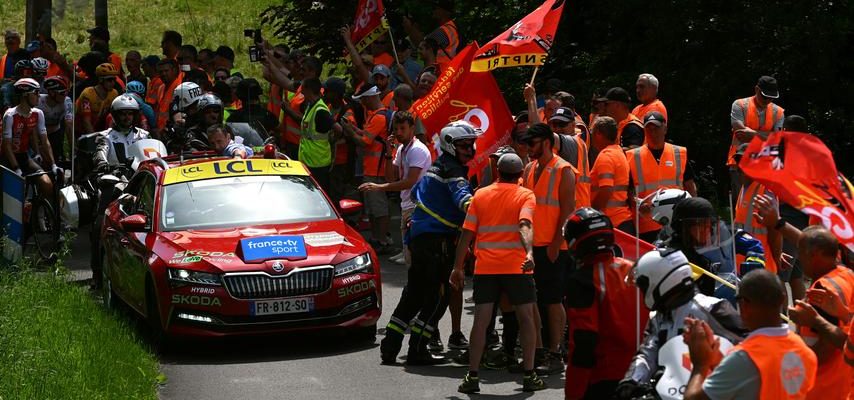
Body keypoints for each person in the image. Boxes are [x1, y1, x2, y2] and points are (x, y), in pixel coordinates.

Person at [379, 120, 478, 366]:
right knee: (437, 297)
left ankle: (390, 346)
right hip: (436, 242)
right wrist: (485, 203)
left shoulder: (437, 166)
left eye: (471, 145)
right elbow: (463, 200)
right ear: (450, 145)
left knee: (413, 294)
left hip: (420, 238)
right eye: (465, 145)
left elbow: (415, 194)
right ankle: (418, 349)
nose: (470, 150)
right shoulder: (453, 171)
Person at [451, 152, 546, 394]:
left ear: (497, 172)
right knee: (526, 319)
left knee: (481, 321)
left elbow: (466, 234)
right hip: (516, 267)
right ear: (520, 175)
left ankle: (472, 376)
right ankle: (529, 374)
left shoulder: (480, 195)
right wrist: (529, 254)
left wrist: (458, 267)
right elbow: (525, 225)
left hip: (486, 268)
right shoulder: (526, 195)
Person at [616, 248, 747, 399]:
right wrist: (631, 381)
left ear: (660, 280)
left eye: (644, 286)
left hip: (712, 391)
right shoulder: (658, 317)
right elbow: (647, 352)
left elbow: (748, 344)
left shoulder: (712, 308)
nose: (642, 291)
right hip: (671, 392)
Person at [683, 269, 817, 400]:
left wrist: (700, 364)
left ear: (743, 305)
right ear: (782, 299)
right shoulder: (805, 352)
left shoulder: (744, 357)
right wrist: (716, 360)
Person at [564, 208, 643, 399]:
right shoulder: (635, 268)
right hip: (644, 371)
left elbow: (583, 342)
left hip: (605, 377)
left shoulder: (583, 280)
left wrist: (573, 393)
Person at [519, 122, 576, 375]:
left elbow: (567, 211)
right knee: (533, 300)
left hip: (554, 247)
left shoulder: (564, 170)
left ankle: (555, 352)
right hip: (532, 246)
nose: (528, 148)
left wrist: (555, 243)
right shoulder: (530, 168)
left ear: (546, 142)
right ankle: (539, 351)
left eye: (532, 143)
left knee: (552, 301)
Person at [88, 94, 150, 288]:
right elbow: (99, 154)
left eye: (130, 114)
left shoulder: (144, 135)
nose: (126, 118)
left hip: (141, 182)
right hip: (115, 182)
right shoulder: (105, 136)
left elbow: (154, 152)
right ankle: (98, 275)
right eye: (122, 114)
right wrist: (104, 165)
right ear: (115, 115)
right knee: (99, 225)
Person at [359, 111, 431, 267]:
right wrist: (388, 152)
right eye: (396, 129)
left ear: (412, 128)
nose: (398, 133)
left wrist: (379, 187)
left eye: (402, 128)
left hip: (418, 208)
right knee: (410, 258)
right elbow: (391, 178)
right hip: (407, 206)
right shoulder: (401, 149)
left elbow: (409, 182)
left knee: (416, 258)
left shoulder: (417, 150)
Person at [791, 226, 854, 400]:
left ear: (815, 254)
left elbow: (826, 350)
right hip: (843, 382)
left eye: (801, 251)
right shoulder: (847, 274)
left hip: (822, 388)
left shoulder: (822, 291)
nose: (799, 257)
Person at [627, 111, 697, 243]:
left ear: (665, 128)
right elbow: (628, 190)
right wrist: (638, 204)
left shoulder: (679, 153)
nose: (653, 133)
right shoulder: (632, 156)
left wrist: (693, 211)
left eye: (657, 128)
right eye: (649, 129)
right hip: (646, 224)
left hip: (676, 221)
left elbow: (690, 185)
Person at [341, 85, 393, 252]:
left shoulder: (379, 118)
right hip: (370, 169)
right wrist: (354, 129)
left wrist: (349, 131)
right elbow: (367, 134)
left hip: (376, 171)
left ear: (370, 98)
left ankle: (382, 240)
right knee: (372, 208)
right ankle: (377, 238)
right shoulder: (375, 116)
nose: (362, 103)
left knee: (379, 208)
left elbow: (364, 141)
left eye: (363, 99)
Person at [728, 75, 785, 201]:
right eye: (765, 96)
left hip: (766, 164)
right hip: (740, 163)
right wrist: (766, 135)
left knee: (765, 202)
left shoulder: (779, 112)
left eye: (771, 97)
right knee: (741, 201)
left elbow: (778, 139)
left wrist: (752, 134)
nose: (767, 100)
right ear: (756, 89)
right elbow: (739, 130)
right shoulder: (740, 105)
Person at [2, 78, 60, 197]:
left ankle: (41, 212)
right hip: (6, 159)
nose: (39, 96)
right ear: (25, 95)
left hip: (23, 156)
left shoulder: (38, 113)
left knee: (47, 183)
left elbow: (45, 141)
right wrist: (16, 169)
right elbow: (6, 146)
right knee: (17, 192)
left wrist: (53, 164)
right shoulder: (10, 115)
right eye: (36, 93)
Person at [589, 116, 633, 231]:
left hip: (613, 222)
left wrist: (592, 212)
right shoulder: (618, 153)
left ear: (598, 133)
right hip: (621, 221)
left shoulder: (606, 156)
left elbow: (606, 190)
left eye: (592, 132)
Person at [293, 77, 333, 189]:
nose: (301, 91)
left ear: (309, 90)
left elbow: (337, 129)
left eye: (303, 88)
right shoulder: (311, 106)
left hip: (318, 163)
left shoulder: (320, 110)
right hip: (309, 161)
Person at [402, 0, 459, 68]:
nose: (433, 10)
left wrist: (409, 28)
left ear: (446, 12)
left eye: (436, 8)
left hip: (439, 72)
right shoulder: (451, 28)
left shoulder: (443, 31)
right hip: (445, 71)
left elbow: (422, 47)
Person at [75, 63, 120, 135]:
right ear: (100, 80)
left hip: (99, 128)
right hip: (82, 130)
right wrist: (94, 139)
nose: (113, 83)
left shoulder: (114, 93)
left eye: (114, 79)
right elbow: (86, 121)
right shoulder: (88, 94)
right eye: (109, 80)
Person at [39, 76, 73, 162]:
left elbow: (69, 126)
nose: (65, 95)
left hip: (55, 133)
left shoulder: (67, 101)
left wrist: (73, 150)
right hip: (38, 134)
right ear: (51, 92)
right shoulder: (39, 101)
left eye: (66, 92)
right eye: (62, 93)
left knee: (58, 160)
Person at [152, 59, 184, 134]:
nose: (163, 74)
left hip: (173, 131)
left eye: (166, 71)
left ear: (174, 71)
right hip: (161, 131)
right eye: (160, 72)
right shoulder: (161, 88)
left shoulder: (180, 88)